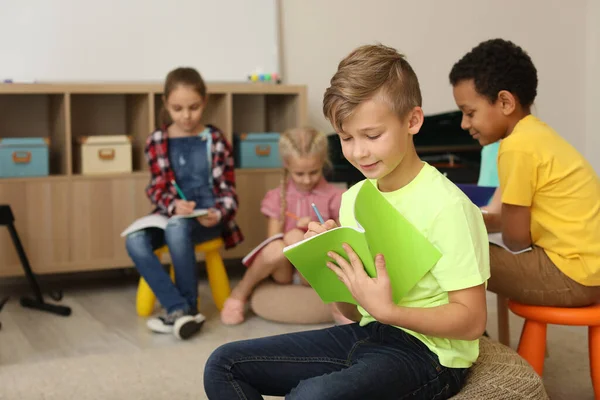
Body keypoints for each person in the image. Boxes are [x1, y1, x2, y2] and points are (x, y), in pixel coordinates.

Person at [204, 44, 489, 399]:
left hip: (430, 355)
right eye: (346, 137)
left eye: (372, 136)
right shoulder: (355, 198)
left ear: (413, 121)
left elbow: (473, 321)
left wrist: (389, 310)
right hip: (368, 333)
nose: (358, 152)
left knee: (312, 395)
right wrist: (329, 264)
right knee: (223, 364)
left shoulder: (449, 206)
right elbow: (352, 313)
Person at [450, 38, 600, 307]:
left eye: (470, 112)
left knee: (452, 253)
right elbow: (526, 224)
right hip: (590, 273)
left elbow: (517, 240)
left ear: (505, 102)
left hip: (571, 276)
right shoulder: (538, 135)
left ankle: (458, 333)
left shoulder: (515, 148)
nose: (464, 124)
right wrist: (480, 222)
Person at [125, 67, 243, 340]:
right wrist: (172, 205)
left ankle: (185, 308)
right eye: (177, 108)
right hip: (171, 215)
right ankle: (181, 309)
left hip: (206, 222)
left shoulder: (215, 140)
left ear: (205, 101)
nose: (186, 116)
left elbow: (229, 192)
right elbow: (155, 188)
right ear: (165, 103)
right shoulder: (157, 140)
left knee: (178, 228)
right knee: (134, 240)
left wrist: (218, 213)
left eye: (194, 107)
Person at [220, 127, 348, 325]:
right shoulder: (277, 197)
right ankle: (239, 293)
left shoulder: (335, 196)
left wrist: (313, 230)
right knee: (285, 242)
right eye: (299, 174)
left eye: (313, 172)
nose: (307, 180)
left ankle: (336, 304)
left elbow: (340, 241)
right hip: (285, 270)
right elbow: (273, 241)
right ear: (287, 166)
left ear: (322, 163)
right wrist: (295, 232)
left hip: (315, 270)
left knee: (300, 237)